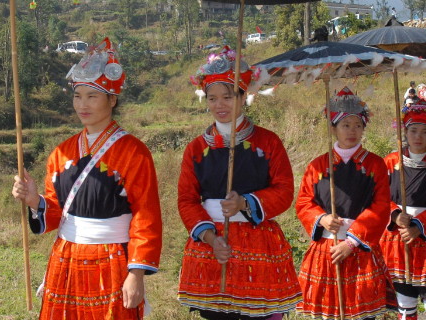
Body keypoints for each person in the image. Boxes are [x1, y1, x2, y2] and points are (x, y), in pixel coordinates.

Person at [11, 38, 162, 319]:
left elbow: (146, 216)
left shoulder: (134, 152)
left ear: (112, 99)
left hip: (112, 259)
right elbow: (56, 211)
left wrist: (136, 273)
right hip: (65, 257)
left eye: (92, 96)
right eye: (78, 95)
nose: (83, 104)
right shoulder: (61, 152)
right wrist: (34, 201)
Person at [177, 46, 302, 319]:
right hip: (212, 246)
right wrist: (211, 238)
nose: (220, 105)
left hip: (258, 245)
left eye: (228, 96)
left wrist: (245, 202)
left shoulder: (268, 142)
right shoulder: (196, 149)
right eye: (212, 98)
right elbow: (187, 200)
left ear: (244, 96)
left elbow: (284, 191)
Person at [295, 87, 395, 320]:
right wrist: (322, 218)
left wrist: (351, 242)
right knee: (329, 314)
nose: (352, 131)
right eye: (345, 125)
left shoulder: (375, 165)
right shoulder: (317, 166)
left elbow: (381, 206)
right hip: (327, 249)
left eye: (357, 125)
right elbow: (303, 202)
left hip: (359, 247)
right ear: (334, 129)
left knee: (362, 313)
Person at [380, 102, 426, 320]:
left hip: (424, 240)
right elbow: (378, 197)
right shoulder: (390, 162)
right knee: (405, 306)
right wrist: (396, 215)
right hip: (397, 243)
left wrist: (419, 225)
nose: (418, 137)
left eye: (425, 132)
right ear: (404, 132)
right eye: (413, 130)